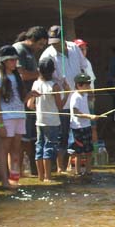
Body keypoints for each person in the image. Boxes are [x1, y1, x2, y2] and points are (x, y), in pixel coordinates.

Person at [39, 25, 86, 173]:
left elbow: (83, 66)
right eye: (51, 42)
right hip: (62, 101)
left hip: (78, 98)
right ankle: (60, 167)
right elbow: (45, 78)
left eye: (56, 42)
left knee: (78, 133)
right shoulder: (47, 55)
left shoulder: (74, 48)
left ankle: (71, 166)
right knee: (62, 135)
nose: (54, 45)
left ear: (64, 39)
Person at [0, 45, 36, 188]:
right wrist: (0, 124)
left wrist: (30, 95)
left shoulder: (17, 76)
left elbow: (19, 100)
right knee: (4, 149)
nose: (14, 63)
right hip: (7, 118)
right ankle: (5, 181)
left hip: (19, 116)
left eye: (15, 60)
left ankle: (14, 180)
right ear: (3, 62)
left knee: (16, 149)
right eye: (10, 60)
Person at [13, 26, 48, 176]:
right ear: (32, 40)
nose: (40, 48)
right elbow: (22, 75)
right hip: (20, 100)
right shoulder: (19, 50)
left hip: (30, 101)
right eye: (40, 44)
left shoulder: (30, 52)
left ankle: (30, 170)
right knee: (22, 140)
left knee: (31, 138)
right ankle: (17, 172)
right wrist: (40, 74)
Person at [27, 58, 65, 182]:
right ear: (53, 71)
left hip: (39, 121)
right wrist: (68, 93)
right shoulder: (54, 86)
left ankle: (41, 177)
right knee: (49, 147)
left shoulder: (36, 84)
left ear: (39, 70)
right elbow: (60, 106)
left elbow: (29, 105)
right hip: (52, 122)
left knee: (39, 147)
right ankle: (48, 177)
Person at [69, 73, 99, 175]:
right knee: (78, 152)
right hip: (78, 128)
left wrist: (91, 93)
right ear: (78, 85)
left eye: (89, 85)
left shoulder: (85, 94)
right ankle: (77, 172)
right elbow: (76, 113)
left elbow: (91, 97)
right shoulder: (75, 96)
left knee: (89, 151)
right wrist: (90, 117)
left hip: (87, 126)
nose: (88, 87)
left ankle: (88, 171)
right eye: (86, 85)